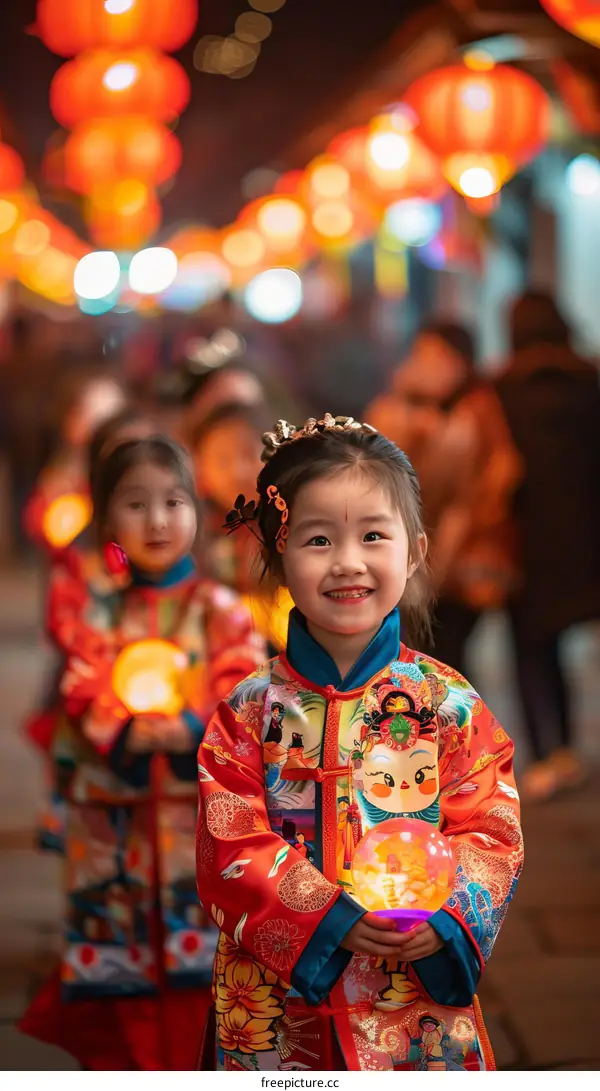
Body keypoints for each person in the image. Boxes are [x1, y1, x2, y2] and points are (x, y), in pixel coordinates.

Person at [195, 413, 523, 1072]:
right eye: (318, 538)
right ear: (276, 552)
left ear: (415, 550)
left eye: (373, 534)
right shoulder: (247, 710)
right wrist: (324, 914)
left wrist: (452, 916)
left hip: (411, 992)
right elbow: (227, 840)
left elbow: (492, 826)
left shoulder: (448, 704)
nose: (348, 561)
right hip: (276, 999)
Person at [19, 436, 266, 1070]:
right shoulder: (98, 609)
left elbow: (242, 685)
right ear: (107, 519)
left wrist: (191, 725)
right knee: (120, 961)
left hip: (192, 813)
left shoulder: (221, 609)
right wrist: (123, 728)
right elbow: (81, 678)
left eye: (173, 501)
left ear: (198, 513)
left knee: (204, 969)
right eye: (136, 504)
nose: (157, 520)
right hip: (114, 809)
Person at [366, 322, 522, 677]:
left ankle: (454, 727)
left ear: (462, 361)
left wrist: (475, 520)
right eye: (422, 354)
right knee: (419, 656)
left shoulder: (479, 409)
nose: (428, 364)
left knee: (446, 656)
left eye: (438, 355)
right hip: (411, 558)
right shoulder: (397, 408)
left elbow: (500, 473)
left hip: (462, 559)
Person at [497, 291, 600, 801]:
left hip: (528, 543)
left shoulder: (499, 390)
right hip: (590, 539)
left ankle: (551, 753)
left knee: (534, 652)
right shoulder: (592, 380)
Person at [185, 372, 292, 652]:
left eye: (248, 453)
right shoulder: (195, 532)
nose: (237, 471)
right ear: (201, 471)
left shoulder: (292, 522)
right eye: (222, 460)